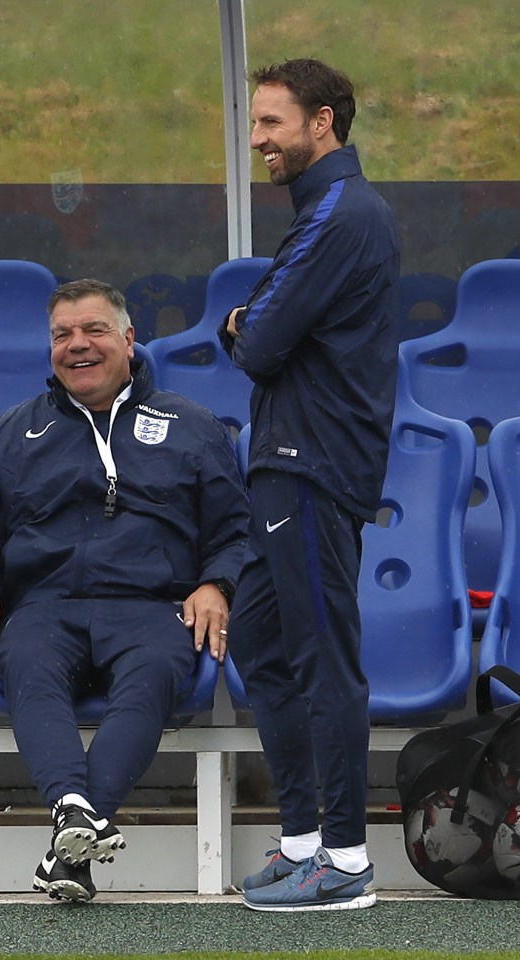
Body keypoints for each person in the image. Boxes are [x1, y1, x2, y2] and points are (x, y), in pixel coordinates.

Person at [0, 278, 249, 903]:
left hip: (152, 608)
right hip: (44, 608)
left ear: (129, 340)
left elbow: (237, 533)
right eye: (62, 335)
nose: (77, 345)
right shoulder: (9, 434)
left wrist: (218, 584)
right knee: (25, 662)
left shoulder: (193, 427)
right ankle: (77, 828)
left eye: (94, 331)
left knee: (157, 670)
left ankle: (70, 832)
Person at [218, 58, 400, 911]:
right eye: (254, 125)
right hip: (284, 467)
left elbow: (255, 343)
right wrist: (251, 324)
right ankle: (300, 842)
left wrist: (244, 325)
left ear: (320, 122)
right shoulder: (324, 210)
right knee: (261, 645)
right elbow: (263, 331)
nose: (256, 141)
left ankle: (348, 861)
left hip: (312, 469)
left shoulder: (339, 211)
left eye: (269, 124)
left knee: (325, 664)